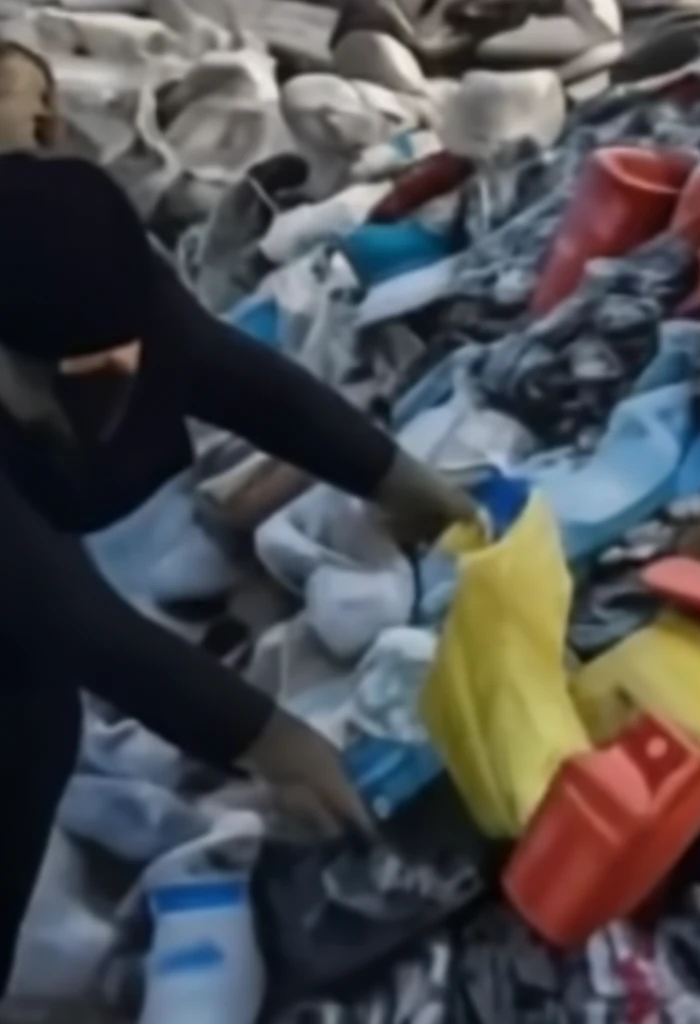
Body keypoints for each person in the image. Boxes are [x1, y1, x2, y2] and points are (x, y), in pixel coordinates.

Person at [0, 145, 477, 992]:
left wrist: (414, 487)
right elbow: (63, 611)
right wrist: (271, 740)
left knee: (36, 704)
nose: (119, 387)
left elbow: (232, 375)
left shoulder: (82, 281)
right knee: (30, 704)